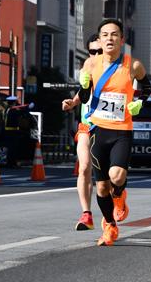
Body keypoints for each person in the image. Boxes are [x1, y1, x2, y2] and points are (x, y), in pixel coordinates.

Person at [81, 19, 151, 246]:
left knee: (117, 176)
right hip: (98, 130)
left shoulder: (133, 65)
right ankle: (110, 225)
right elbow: (84, 98)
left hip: (122, 130)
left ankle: (120, 196)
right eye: (105, 35)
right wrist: (83, 86)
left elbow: (147, 87)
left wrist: (139, 102)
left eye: (114, 35)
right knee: (101, 186)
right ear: (99, 40)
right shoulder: (90, 64)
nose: (109, 38)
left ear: (122, 39)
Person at [61, 34, 102, 231]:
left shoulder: (116, 72)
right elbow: (83, 91)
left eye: (99, 51)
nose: (95, 55)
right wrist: (72, 102)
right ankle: (87, 214)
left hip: (109, 127)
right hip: (87, 125)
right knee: (85, 167)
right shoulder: (88, 69)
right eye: (92, 51)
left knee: (110, 178)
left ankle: (118, 196)